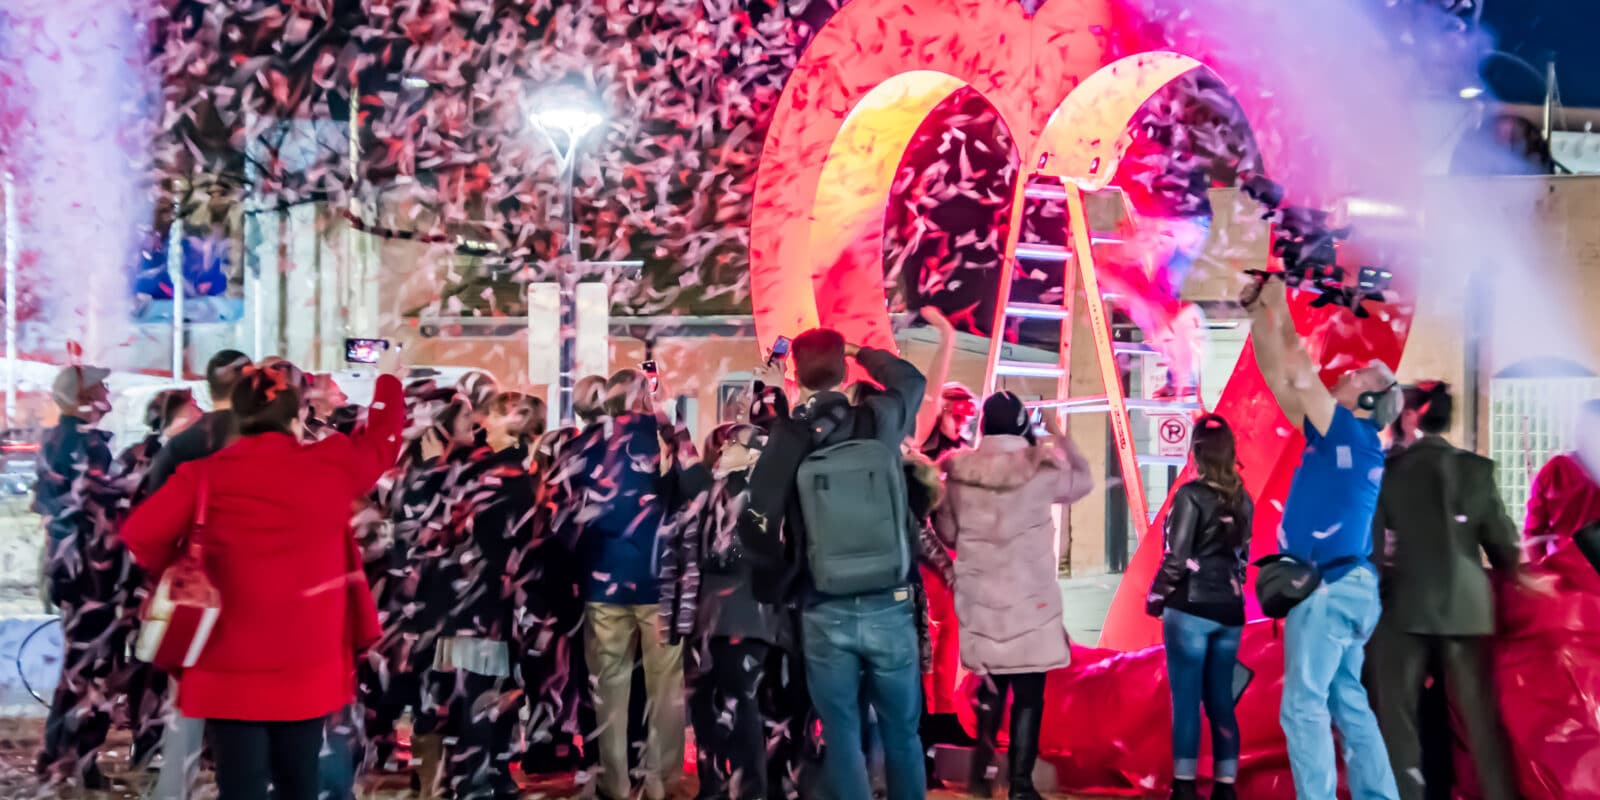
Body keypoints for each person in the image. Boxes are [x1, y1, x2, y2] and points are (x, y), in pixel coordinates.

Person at [121, 351, 403, 800]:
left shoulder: (204, 477)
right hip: (308, 659)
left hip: (224, 660)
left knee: (241, 784)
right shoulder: (329, 465)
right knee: (299, 780)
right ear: (295, 416)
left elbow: (139, 534)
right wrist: (389, 383)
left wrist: (179, 568)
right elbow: (382, 444)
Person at [740, 328, 928, 800]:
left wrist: (778, 584)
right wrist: (863, 352)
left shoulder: (790, 435)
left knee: (842, 734)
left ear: (795, 374)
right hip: (891, 597)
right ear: (845, 371)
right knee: (903, 734)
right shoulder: (879, 419)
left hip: (823, 603)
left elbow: (756, 521)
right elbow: (911, 381)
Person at [1242, 275, 1400, 800]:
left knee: (1302, 707)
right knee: (1346, 702)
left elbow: (1298, 368)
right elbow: (1281, 380)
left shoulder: (1347, 433)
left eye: (1356, 376)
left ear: (1368, 401)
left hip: (1330, 590)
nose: (1345, 374)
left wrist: (1277, 303)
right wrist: (1258, 314)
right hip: (1349, 586)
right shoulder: (1345, 439)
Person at [1366, 383, 1521, 800]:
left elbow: (1374, 552)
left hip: (1403, 607)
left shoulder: (1386, 471)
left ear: (1411, 416)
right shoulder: (1477, 469)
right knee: (1480, 720)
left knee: (1398, 721)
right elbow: (1503, 546)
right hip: (1467, 608)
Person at [934, 392, 1091, 799]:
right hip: (1030, 600)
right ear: (1023, 423)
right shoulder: (1040, 468)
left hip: (980, 595)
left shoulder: (959, 472)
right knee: (1028, 691)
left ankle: (983, 774)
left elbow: (948, 532)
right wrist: (1057, 436)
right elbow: (1083, 482)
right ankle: (1021, 784)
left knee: (990, 684)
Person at [560, 369, 692, 800]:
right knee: (665, 688)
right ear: (642, 398)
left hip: (603, 583)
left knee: (610, 689)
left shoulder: (583, 444)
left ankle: (614, 782)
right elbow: (697, 490)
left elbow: (563, 516)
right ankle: (659, 781)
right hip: (660, 583)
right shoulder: (663, 436)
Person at [137, 349, 251, 800]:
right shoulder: (261, 441)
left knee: (187, 696)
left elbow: (149, 521)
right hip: (251, 587)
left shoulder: (181, 447)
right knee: (246, 704)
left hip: (195, 589)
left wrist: (170, 572)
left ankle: (174, 789)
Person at [428, 389, 537, 799]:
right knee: (485, 687)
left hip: (485, 597)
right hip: (490, 598)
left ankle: (485, 771)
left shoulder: (491, 470)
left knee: (488, 687)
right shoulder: (505, 471)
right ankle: (482, 773)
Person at [670, 422, 788, 800]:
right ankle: (713, 786)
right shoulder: (708, 490)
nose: (724, 451)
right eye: (720, 445)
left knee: (741, 706)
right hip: (707, 619)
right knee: (706, 708)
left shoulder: (758, 494)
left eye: (732, 444)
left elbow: (728, 554)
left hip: (744, 617)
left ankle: (749, 789)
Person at [1145, 414, 1252, 800]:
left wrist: (1155, 599)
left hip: (1189, 608)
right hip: (1230, 610)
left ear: (1197, 452)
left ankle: (1185, 787)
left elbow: (1177, 558)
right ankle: (1226, 787)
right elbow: (1242, 560)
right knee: (1222, 700)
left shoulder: (1189, 496)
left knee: (1187, 701)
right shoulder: (1243, 498)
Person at [33, 364, 116, 788]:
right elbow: (104, 505)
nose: (108, 392)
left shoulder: (54, 440)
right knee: (91, 669)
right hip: (92, 575)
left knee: (78, 667)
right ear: (84, 398)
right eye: (100, 387)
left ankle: (59, 754)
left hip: (69, 571)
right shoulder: (88, 447)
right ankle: (77, 760)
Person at [1524, 399, 1600, 561]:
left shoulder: (1555, 470)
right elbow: (1533, 533)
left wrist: (1542, 573)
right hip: (1566, 576)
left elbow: (1532, 532)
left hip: (1565, 576)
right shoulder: (1555, 470)